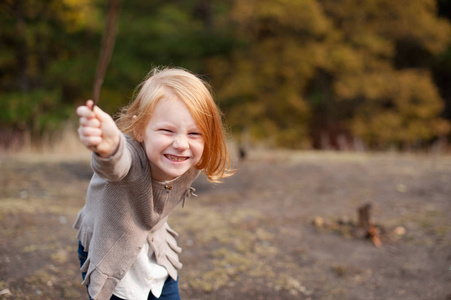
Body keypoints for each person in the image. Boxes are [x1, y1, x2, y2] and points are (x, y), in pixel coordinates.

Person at [74, 67, 234, 300]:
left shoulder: (187, 161)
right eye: (167, 131)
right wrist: (108, 148)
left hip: (154, 247)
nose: (181, 144)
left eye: (194, 133)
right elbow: (116, 164)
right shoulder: (129, 156)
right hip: (110, 246)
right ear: (140, 129)